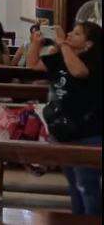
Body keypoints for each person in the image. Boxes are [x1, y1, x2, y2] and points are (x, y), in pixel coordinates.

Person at [27, 22, 102, 215]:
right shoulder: (62, 55)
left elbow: (78, 72)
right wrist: (35, 43)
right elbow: (33, 65)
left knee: (87, 185)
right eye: (71, 31)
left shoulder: (94, 60)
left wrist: (62, 44)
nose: (69, 34)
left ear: (89, 44)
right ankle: (78, 219)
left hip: (87, 131)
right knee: (74, 186)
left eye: (76, 34)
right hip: (64, 130)